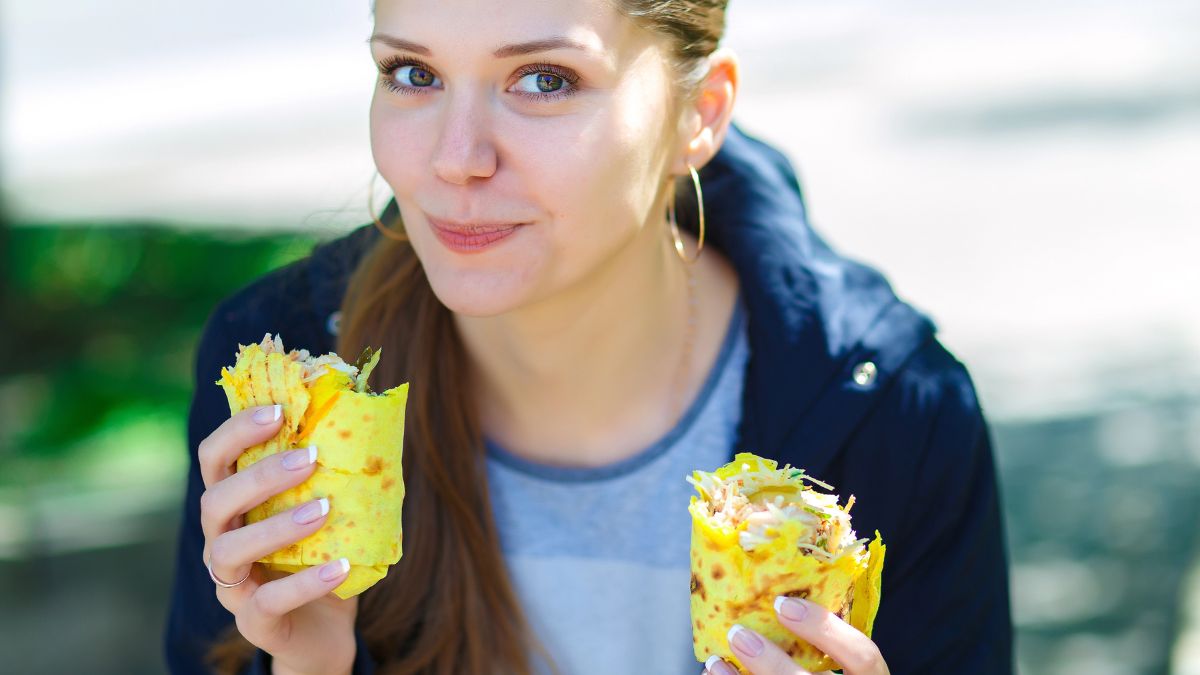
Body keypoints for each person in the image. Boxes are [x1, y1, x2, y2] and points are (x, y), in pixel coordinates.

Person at [164, 0, 1014, 673]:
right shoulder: (277, 376)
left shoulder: (892, 411)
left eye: (544, 80)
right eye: (413, 72)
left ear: (699, 114)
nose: (456, 157)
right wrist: (311, 669)